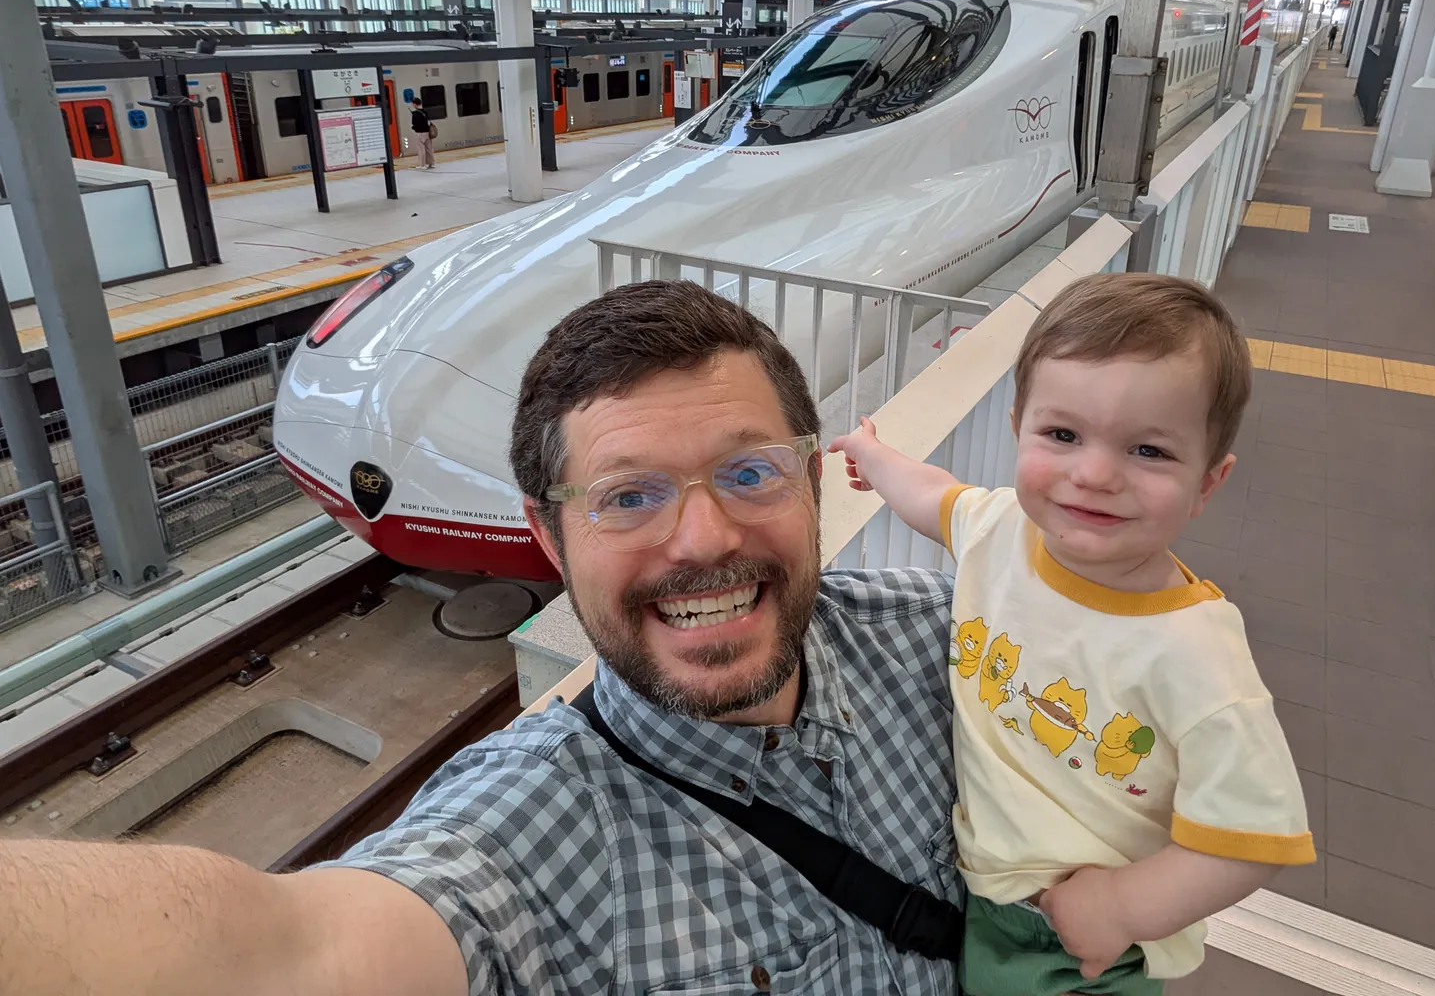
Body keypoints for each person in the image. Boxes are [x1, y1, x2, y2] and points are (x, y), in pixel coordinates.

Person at [0, 280, 968, 996]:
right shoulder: (523, 833)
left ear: (810, 481)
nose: (706, 538)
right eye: (627, 497)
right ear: (548, 537)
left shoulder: (948, 642)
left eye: (750, 473)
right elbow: (293, 953)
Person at [831, 273, 1314, 995]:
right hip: (978, 894)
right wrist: (872, 456)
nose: (1093, 474)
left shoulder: (1197, 656)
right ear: (1019, 424)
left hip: (1074, 943)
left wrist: (1120, 907)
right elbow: (930, 496)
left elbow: (1257, 838)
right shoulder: (999, 529)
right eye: (1062, 434)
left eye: (1148, 451)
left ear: (1208, 483)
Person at [411, 95, 436, 170]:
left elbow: (414, 123)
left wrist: (414, 128)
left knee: (421, 148)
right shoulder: (425, 111)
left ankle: (422, 164)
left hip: (420, 133)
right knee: (429, 148)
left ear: (415, 104)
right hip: (427, 132)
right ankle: (431, 163)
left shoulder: (415, 113)